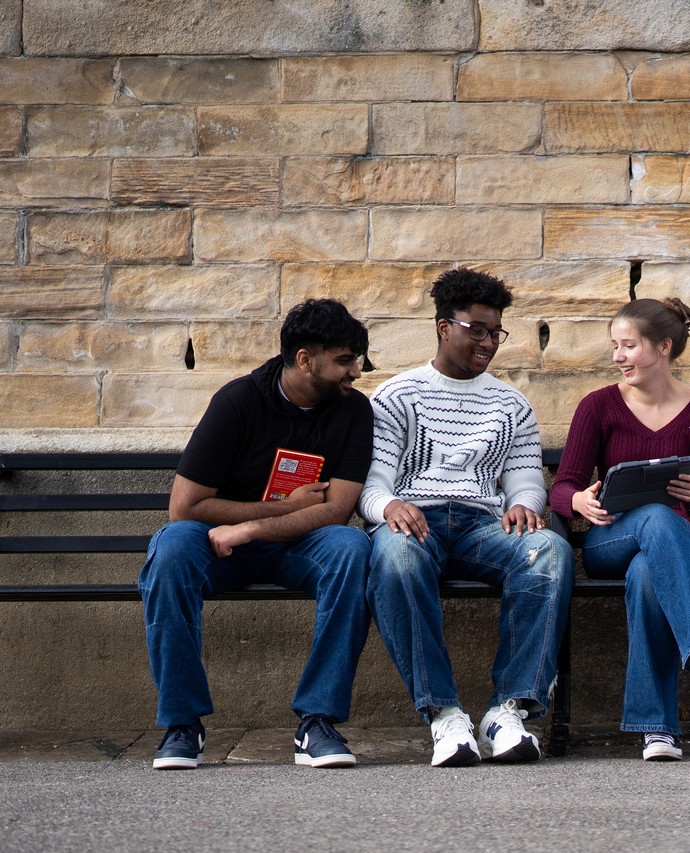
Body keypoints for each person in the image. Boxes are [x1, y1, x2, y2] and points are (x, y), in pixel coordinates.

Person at [138, 299, 375, 771]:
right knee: (169, 550)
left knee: (353, 548)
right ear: (306, 360)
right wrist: (278, 510)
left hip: (299, 545)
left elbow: (339, 511)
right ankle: (182, 724)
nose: (357, 373)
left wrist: (255, 527)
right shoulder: (238, 401)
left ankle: (317, 721)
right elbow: (184, 508)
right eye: (345, 361)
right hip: (218, 545)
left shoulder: (354, 411)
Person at [360, 267, 573, 768]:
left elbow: (525, 480)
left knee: (548, 550)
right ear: (443, 327)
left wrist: (525, 503)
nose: (488, 342)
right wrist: (389, 505)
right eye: (476, 329)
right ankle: (444, 715)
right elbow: (373, 485)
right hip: (416, 521)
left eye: (495, 332)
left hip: (483, 527)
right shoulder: (397, 396)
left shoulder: (511, 404)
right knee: (394, 557)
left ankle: (507, 711)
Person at [550, 297, 690, 762]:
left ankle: (656, 729)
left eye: (628, 346)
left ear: (662, 347)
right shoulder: (598, 406)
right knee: (654, 521)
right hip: (611, 538)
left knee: (647, 573)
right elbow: (563, 487)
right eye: (614, 346)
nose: (618, 356)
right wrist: (578, 500)